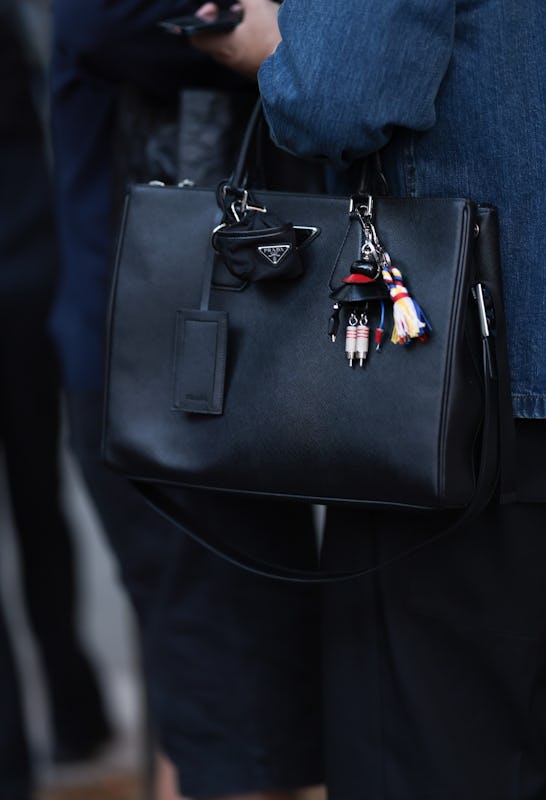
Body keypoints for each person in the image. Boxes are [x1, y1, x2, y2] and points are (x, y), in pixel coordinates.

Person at [192, 2, 546, 798]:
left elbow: (336, 94)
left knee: (423, 755)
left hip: (461, 378)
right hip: (544, 366)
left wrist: (268, 44)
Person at [50, 2, 323, 798]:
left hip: (202, 360)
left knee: (231, 710)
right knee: (235, 715)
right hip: (161, 367)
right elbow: (100, 30)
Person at [0, 3, 111, 791]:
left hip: (30, 257)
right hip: (31, 253)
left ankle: (29, 745)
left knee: (42, 510)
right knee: (42, 508)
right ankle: (76, 715)